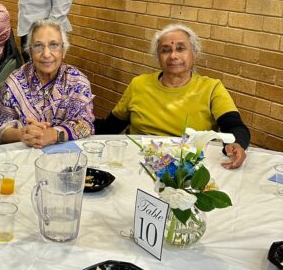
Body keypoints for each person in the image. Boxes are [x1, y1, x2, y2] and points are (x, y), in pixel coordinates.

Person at [94, 23, 251, 169]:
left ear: (194, 55)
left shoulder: (211, 88)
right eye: (165, 50)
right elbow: (111, 125)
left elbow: (235, 126)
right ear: (158, 57)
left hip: (190, 167)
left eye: (181, 49)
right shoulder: (139, 84)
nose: (173, 55)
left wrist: (237, 144)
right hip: (141, 164)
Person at [0, 18, 94, 147]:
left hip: (66, 156)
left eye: (54, 45)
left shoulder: (78, 82)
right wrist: (23, 134)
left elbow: (85, 125)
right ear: (30, 51)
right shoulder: (15, 81)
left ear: (64, 50)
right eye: (38, 46)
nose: (46, 54)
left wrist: (54, 134)